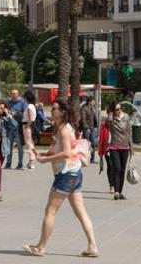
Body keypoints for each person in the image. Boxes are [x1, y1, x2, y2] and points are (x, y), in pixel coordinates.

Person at [22, 100, 99, 259]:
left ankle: (41, 247)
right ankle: (92, 246)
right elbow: (60, 150)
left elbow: (66, 153)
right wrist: (45, 155)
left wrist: (47, 160)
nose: (51, 111)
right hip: (74, 173)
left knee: (50, 211)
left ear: (62, 112)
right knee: (80, 212)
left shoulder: (64, 130)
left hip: (66, 175)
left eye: (55, 108)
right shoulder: (63, 128)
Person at [7, 89, 28, 169]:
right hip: (10, 127)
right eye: (12, 94)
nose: (13, 95)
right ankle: (8, 163)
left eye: (15, 94)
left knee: (20, 146)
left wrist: (16, 113)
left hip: (18, 127)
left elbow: (25, 114)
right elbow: (6, 111)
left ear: (18, 94)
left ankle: (20, 163)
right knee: (9, 146)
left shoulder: (22, 102)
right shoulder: (9, 102)